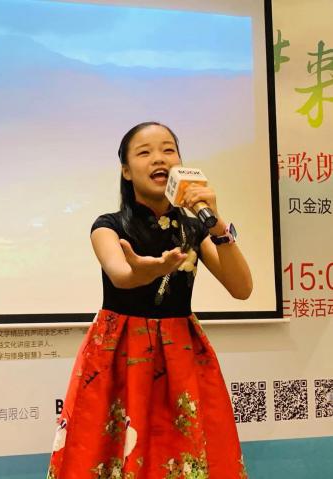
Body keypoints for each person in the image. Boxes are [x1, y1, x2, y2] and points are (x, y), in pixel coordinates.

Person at [47, 122, 253, 479]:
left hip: (181, 353)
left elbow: (242, 287)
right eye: (145, 152)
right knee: (106, 455)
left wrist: (217, 224)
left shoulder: (195, 228)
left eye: (168, 150)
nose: (159, 158)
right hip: (120, 353)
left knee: (182, 453)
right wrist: (149, 270)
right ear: (126, 170)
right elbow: (121, 275)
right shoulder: (108, 226)